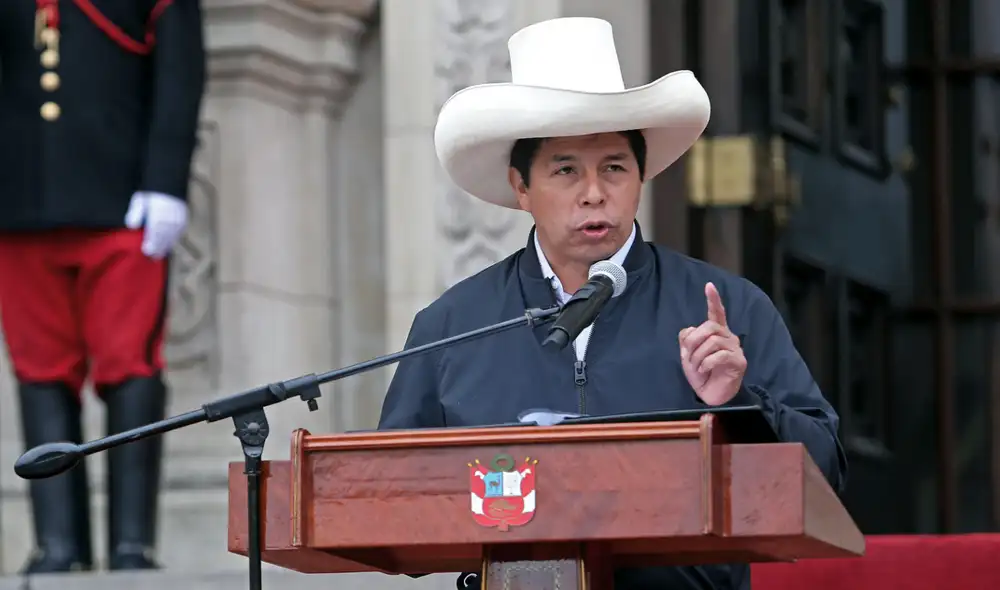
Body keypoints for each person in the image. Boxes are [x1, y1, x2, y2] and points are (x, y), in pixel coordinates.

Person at [377, 17, 846, 590]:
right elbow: (386, 505)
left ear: (641, 177)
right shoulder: (453, 325)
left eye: (614, 168)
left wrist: (740, 402)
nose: (594, 193)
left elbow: (826, 475)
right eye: (566, 170)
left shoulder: (726, 308)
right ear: (521, 187)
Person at [0, 0, 206, 574]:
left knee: (130, 365)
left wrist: (166, 180)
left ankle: (131, 545)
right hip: (19, 204)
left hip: (123, 205)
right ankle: (57, 545)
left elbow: (180, 71)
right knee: (40, 369)